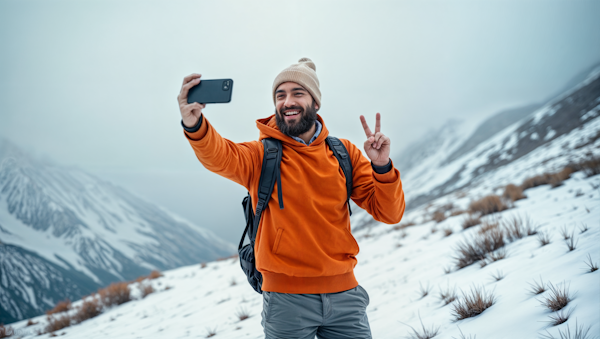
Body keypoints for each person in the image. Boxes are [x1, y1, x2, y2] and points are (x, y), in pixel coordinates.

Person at [177, 58, 405, 339]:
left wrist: (382, 167)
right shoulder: (262, 155)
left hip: (345, 297)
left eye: (298, 93)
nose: (287, 101)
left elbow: (390, 213)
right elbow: (220, 155)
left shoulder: (344, 153)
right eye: (280, 95)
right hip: (286, 301)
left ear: (315, 102)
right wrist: (195, 124)